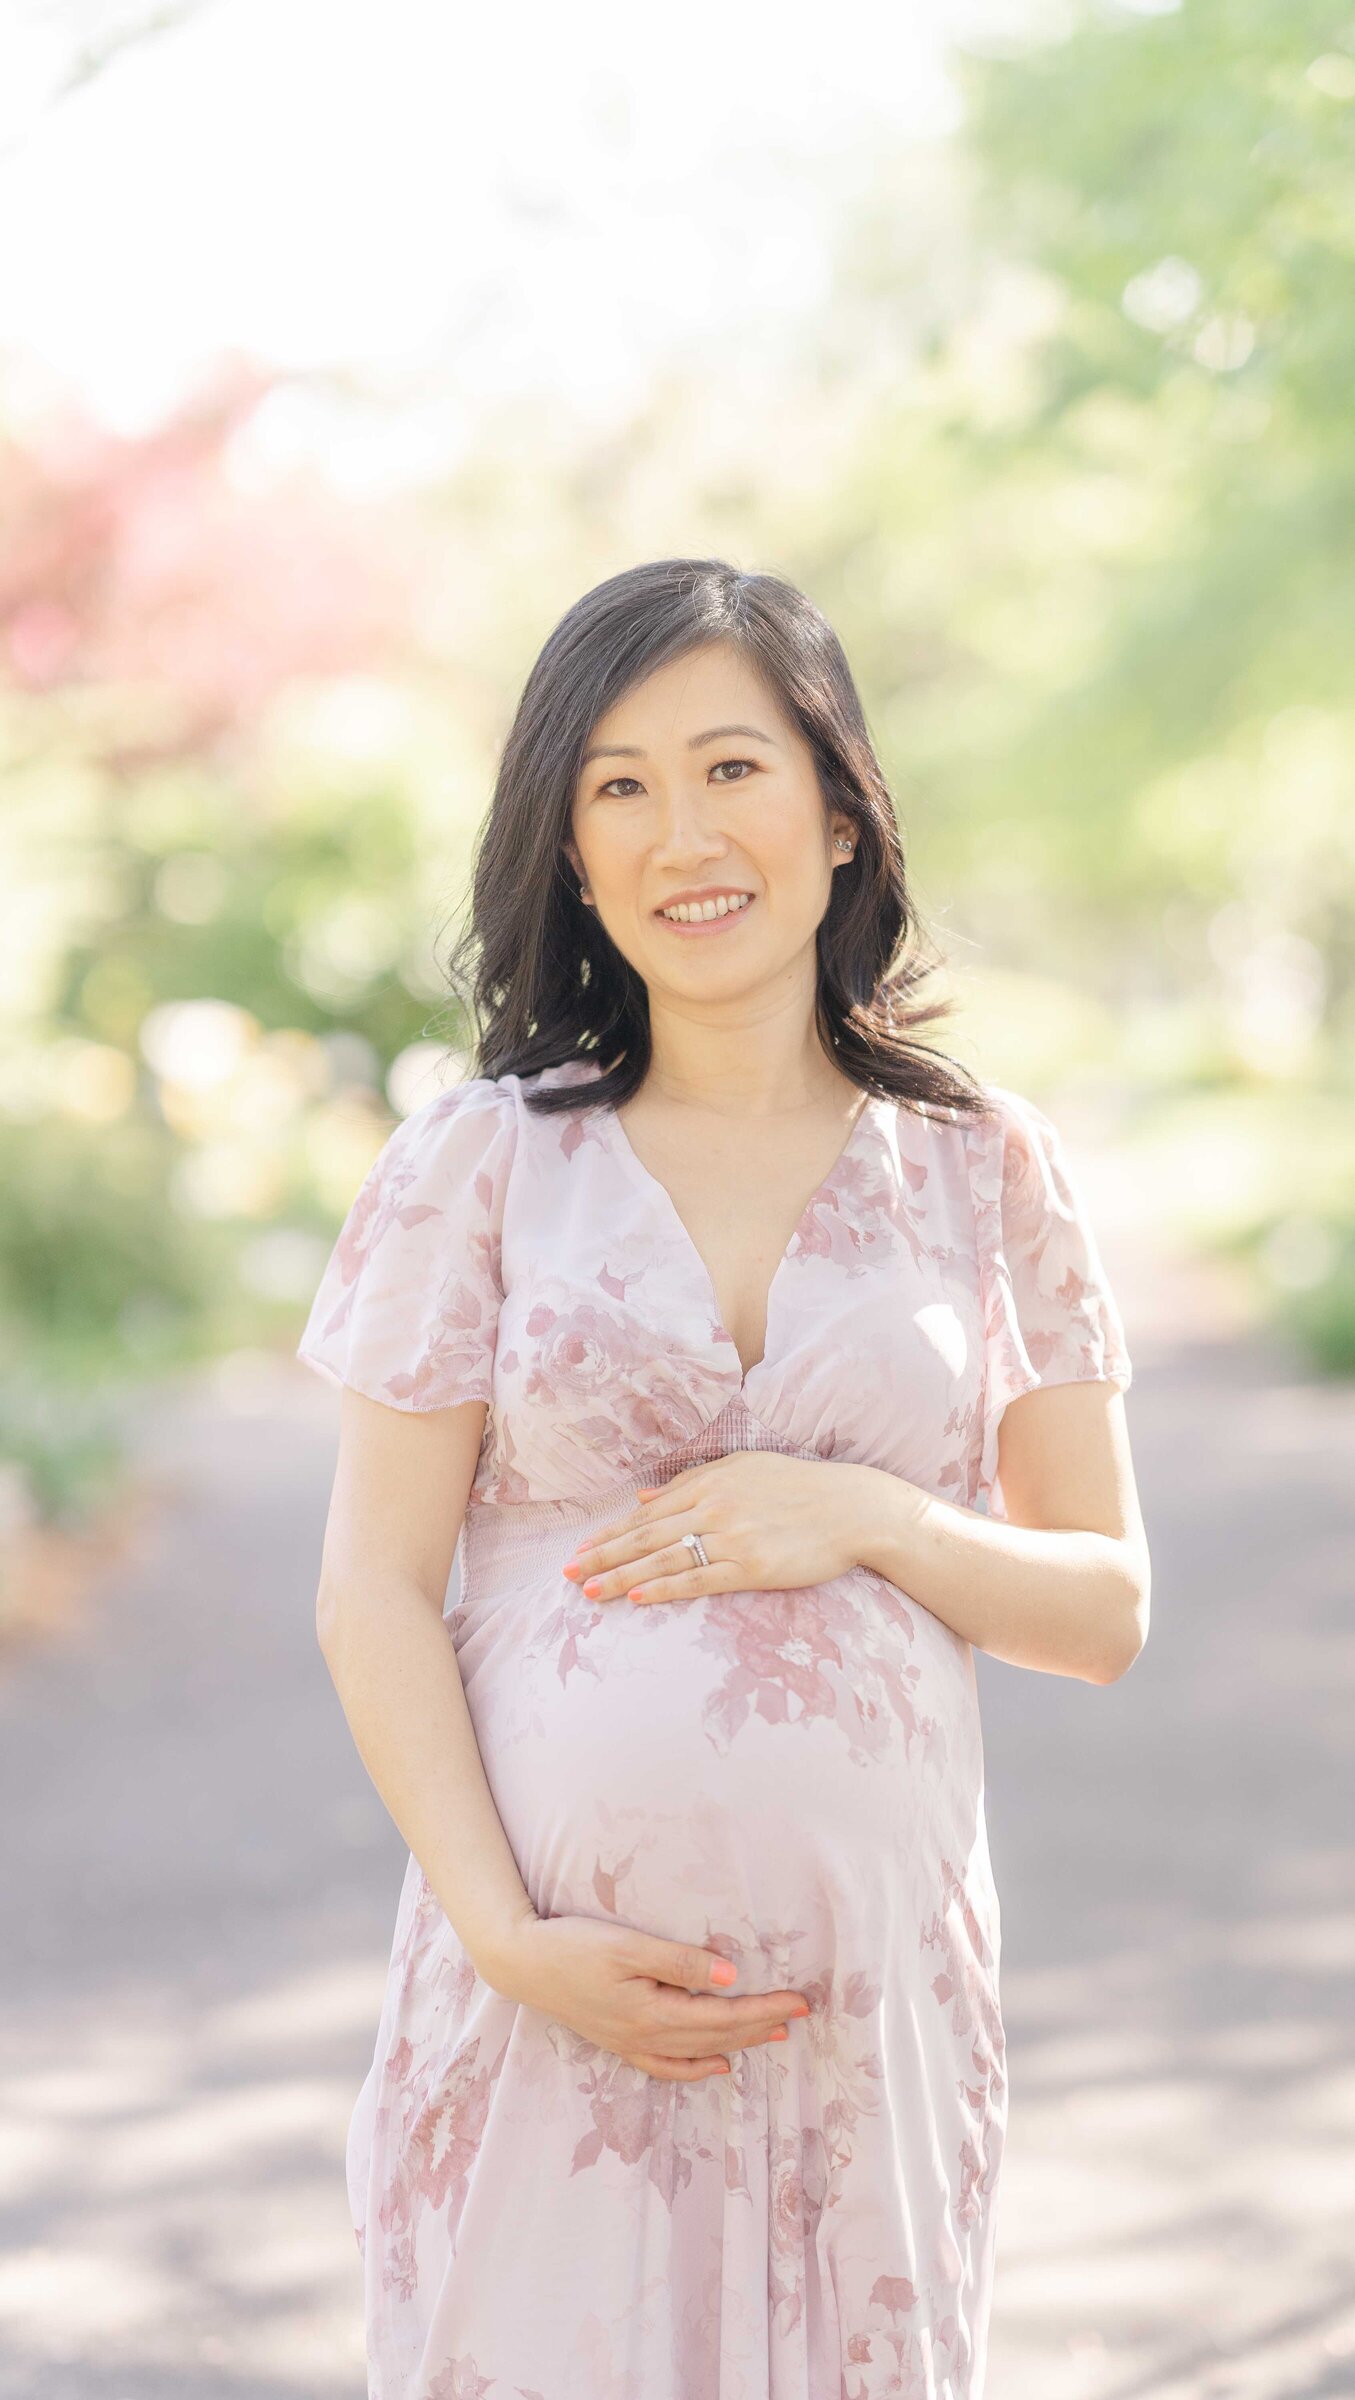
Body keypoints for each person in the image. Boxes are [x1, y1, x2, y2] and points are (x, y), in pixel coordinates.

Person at [297, 557, 1150, 2400]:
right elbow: (372, 1588)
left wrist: (868, 1515)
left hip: (873, 2026)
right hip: (553, 2008)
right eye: (617, 785)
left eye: (731, 768)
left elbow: (1104, 1609)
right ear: (573, 852)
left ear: (840, 815)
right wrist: (508, 1940)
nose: (681, 830)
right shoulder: (481, 1166)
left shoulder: (984, 1167)